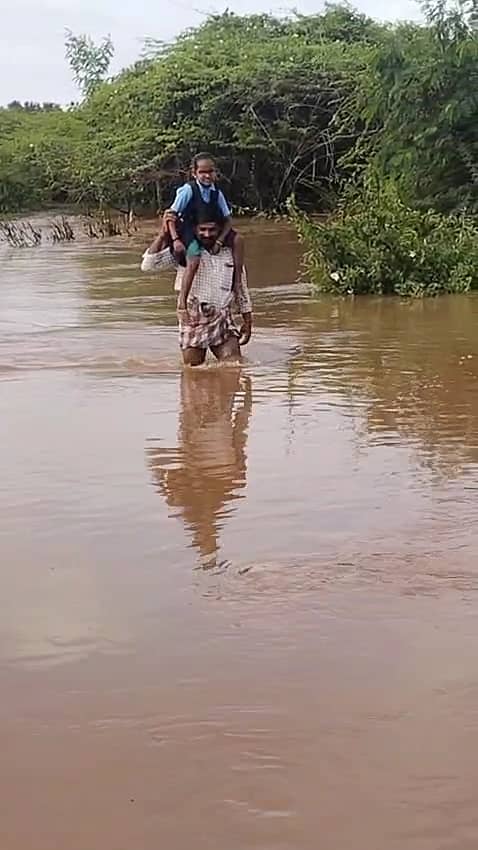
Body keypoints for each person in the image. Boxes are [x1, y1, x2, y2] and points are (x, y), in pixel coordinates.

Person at [141, 214, 253, 367]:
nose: (207, 234)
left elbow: (241, 287)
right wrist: (162, 234)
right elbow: (148, 265)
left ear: (220, 229)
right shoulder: (186, 251)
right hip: (193, 318)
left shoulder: (230, 252)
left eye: (212, 230)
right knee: (193, 373)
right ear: (194, 229)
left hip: (222, 316)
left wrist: (248, 320)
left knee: (234, 368)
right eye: (203, 229)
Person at [166, 153, 244, 293]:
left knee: (238, 239)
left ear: (215, 172)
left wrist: (220, 241)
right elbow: (170, 217)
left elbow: (228, 220)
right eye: (202, 172)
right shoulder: (188, 190)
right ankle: (182, 301)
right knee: (194, 257)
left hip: (211, 230)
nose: (207, 176)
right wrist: (176, 239)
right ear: (194, 173)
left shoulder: (217, 192)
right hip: (189, 230)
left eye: (210, 171)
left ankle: (237, 282)